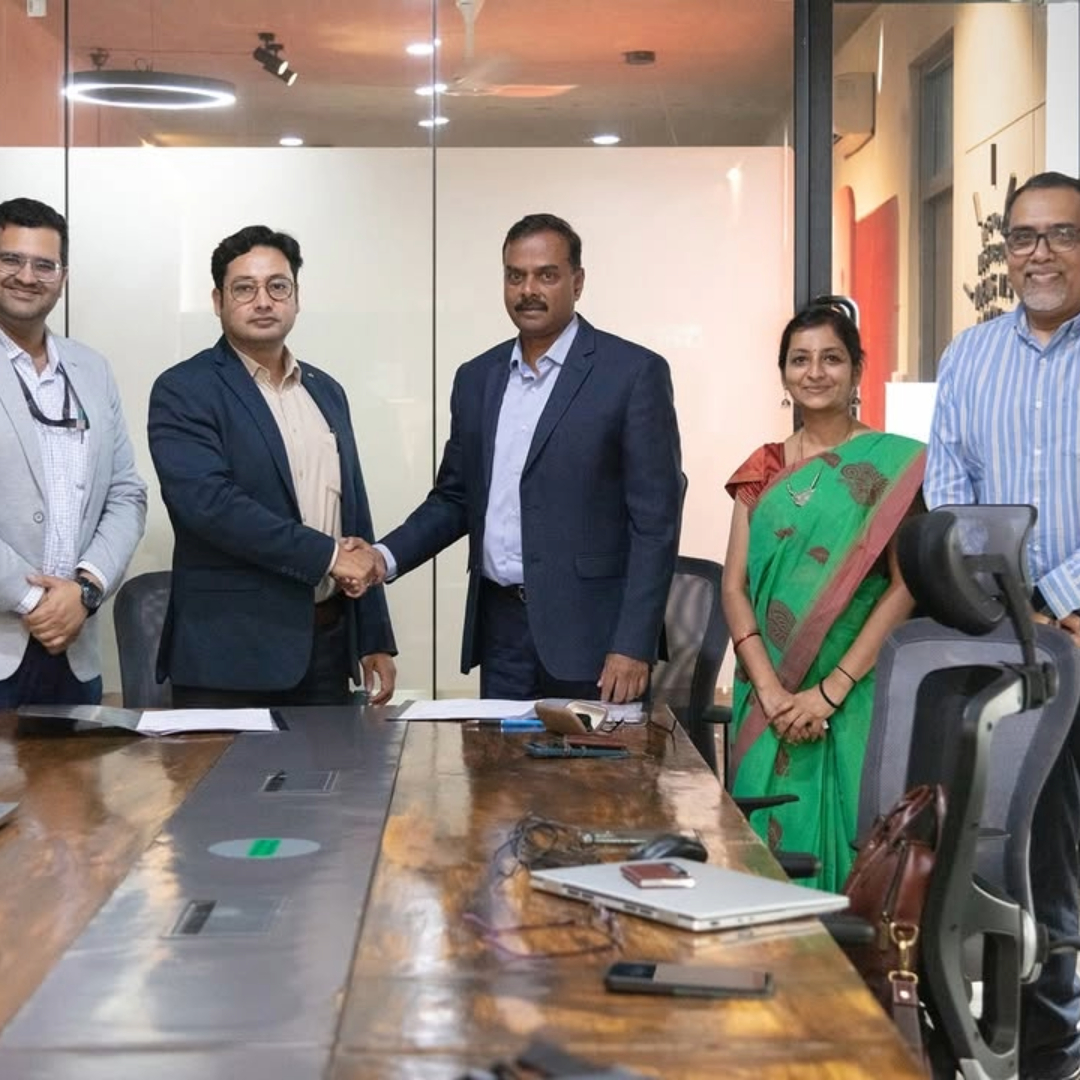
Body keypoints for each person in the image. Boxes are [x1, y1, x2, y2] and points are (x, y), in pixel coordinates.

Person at [352, 212, 682, 702]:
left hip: (594, 638)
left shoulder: (632, 374)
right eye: (515, 276)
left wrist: (633, 644)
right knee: (498, 755)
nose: (529, 290)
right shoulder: (477, 378)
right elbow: (455, 499)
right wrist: (382, 557)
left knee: (594, 758)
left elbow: (656, 523)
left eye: (546, 275)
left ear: (577, 282)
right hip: (501, 631)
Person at [925, 170, 1080, 1080]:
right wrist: (1010, 603)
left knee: (1065, 869)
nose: (1040, 254)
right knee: (1008, 852)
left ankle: (1057, 1054)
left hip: (1075, 634)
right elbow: (950, 500)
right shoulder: (968, 357)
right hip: (1001, 649)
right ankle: (1006, 1045)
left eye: (1062, 234)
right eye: (1024, 237)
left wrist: (1061, 596)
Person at [147, 225, 395, 708]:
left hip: (326, 648)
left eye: (278, 287)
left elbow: (353, 516)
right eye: (244, 288)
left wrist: (374, 636)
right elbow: (210, 506)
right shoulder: (185, 389)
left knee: (337, 762)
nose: (263, 301)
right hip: (229, 656)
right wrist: (328, 555)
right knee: (224, 766)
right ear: (218, 301)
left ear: (296, 298)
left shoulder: (326, 391)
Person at [721, 301, 924, 891]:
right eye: (800, 359)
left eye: (831, 358)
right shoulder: (762, 470)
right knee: (761, 859)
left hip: (855, 691)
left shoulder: (894, 465)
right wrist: (772, 693)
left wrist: (829, 693)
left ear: (857, 370)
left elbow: (905, 586)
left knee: (856, 848)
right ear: (783, 373)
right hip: (767, 695)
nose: (815, 372)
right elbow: (733, 586)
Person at [0, 197, 146, 707]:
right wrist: (35, 600)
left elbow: (126, 494)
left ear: (62, 277)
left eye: (45, 265)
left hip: (76, 651)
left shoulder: (92, 369)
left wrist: (85, 591)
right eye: (11, 259)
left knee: (78, 765)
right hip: (10, 641)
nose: (27, 276)